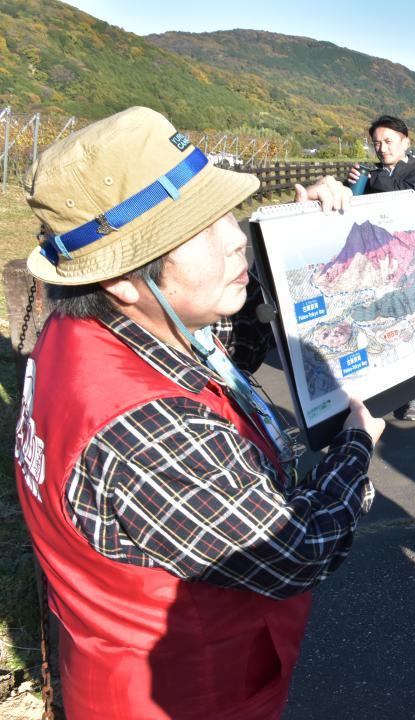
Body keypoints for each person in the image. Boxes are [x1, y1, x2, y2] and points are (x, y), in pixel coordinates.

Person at [14, 106, 385, 720]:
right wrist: (355, 448)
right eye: (202, 228)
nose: (236, 234)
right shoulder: (147, 429)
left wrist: (293, 235)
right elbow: (295, 549)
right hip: (185, 696)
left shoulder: (80, 335)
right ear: (123, 279)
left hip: (114, 661)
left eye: (228, 214)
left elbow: (222, 347)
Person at [349, 114, 415, 420]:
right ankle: (386, 390)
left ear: (405, 142)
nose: (382, 148)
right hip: (378, 263)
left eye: (388, 141)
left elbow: (406, 199)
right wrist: (352, 187)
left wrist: (371, 181)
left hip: (412, 263)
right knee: (384, 325)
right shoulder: (372, 176)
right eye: (377, 143)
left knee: (413, 325)